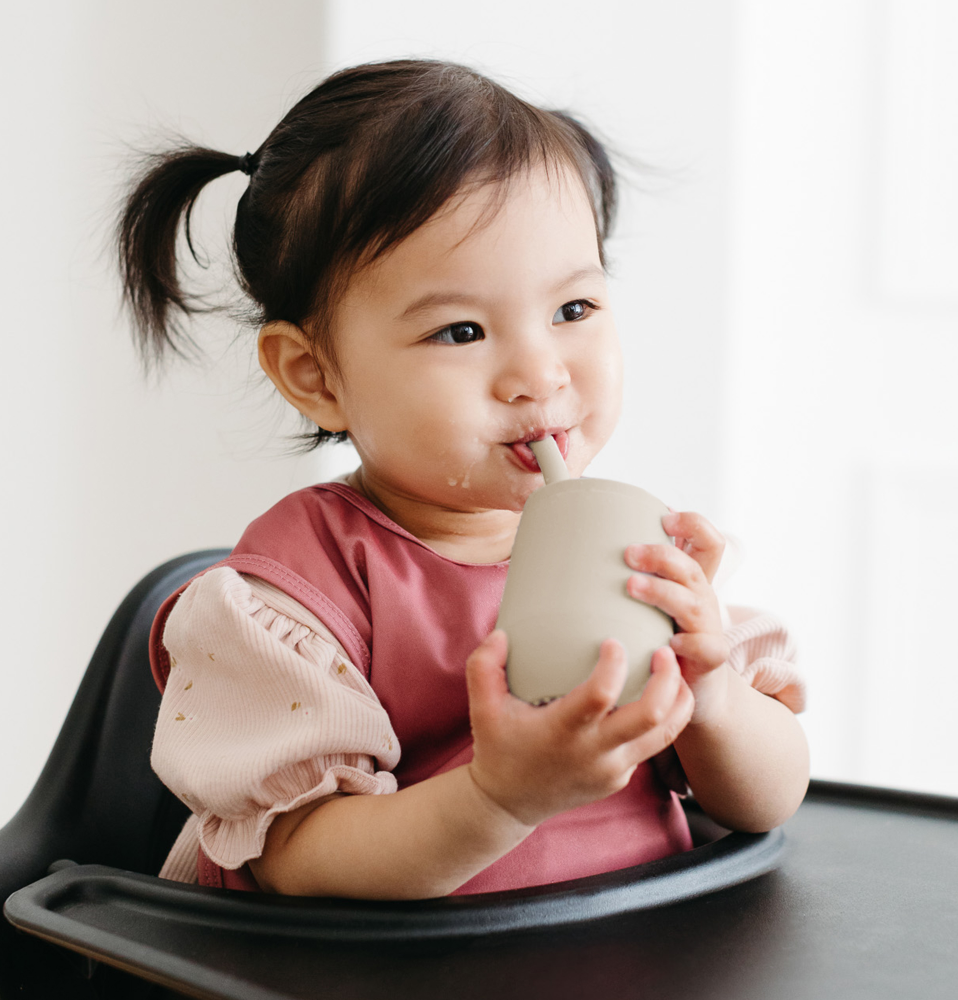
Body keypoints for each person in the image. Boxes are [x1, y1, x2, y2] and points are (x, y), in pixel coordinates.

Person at [118, 59, 809, 900]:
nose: (538, 373)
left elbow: (768, 804)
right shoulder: (292, 601)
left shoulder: (645, 557)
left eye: (573, 311)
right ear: (314, 375)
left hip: (638, 952)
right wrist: (501, 799)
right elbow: (298, 861)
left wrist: (714, 700)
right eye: (460, 331)